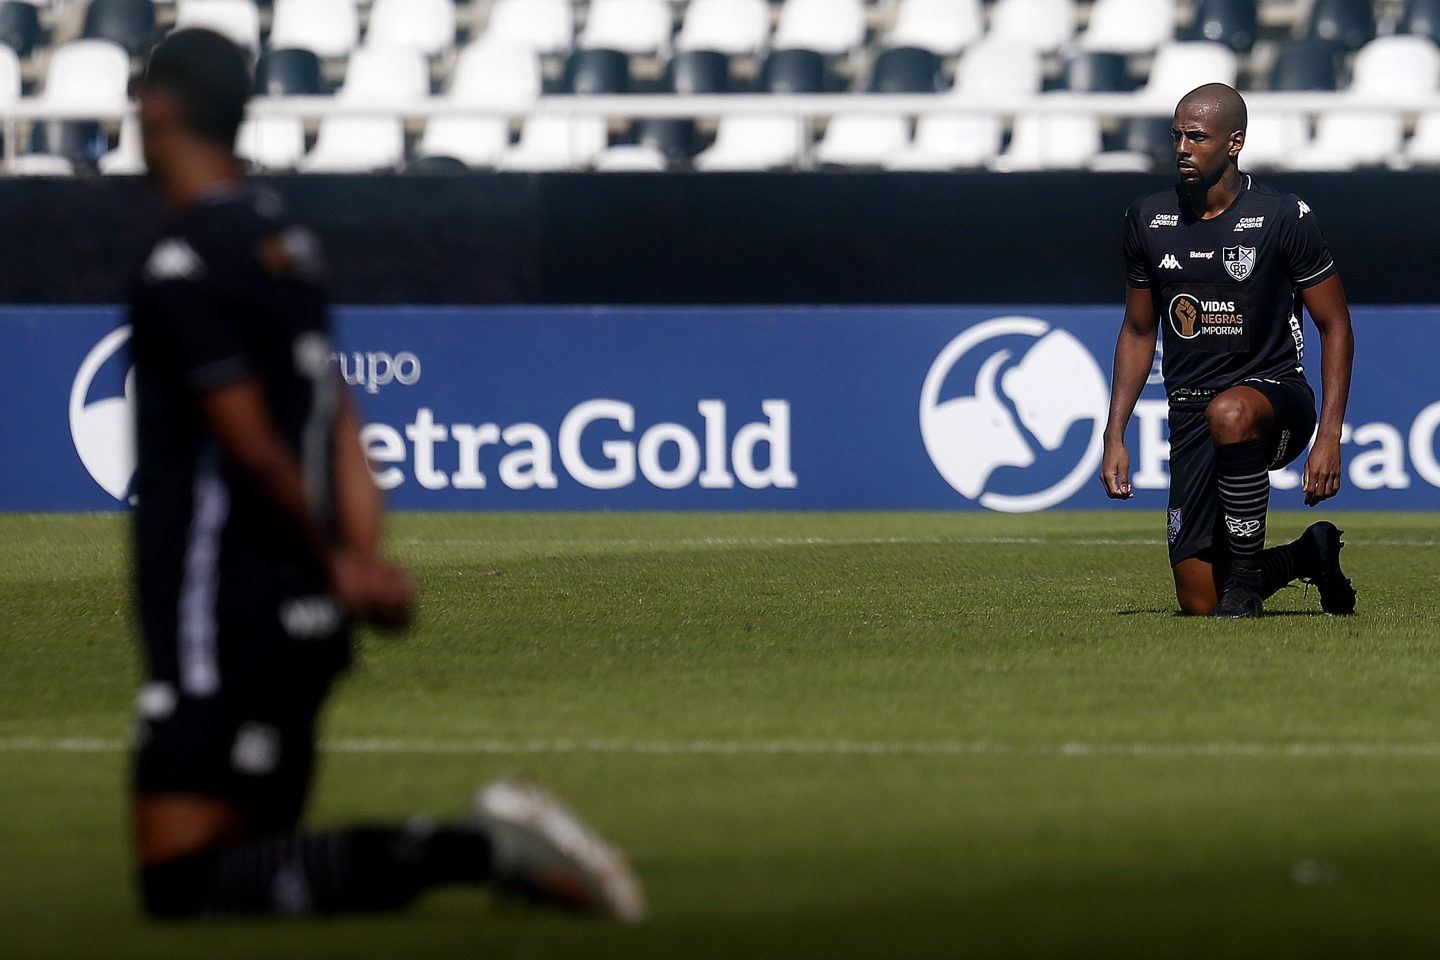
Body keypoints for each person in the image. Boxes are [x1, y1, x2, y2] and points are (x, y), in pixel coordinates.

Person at [128, 28, 645, 920]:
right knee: (256, 862)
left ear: (157, 108)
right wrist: (358, 560)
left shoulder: (181, 267)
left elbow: (252, 447)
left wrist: (336, 562)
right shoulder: (288, 244)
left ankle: (481, 845)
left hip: (224, 607)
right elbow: (341, 424)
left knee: (186, 883)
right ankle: (483, 850)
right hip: (303, 607)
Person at [1100, 83, 1356, 619]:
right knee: (1198, 600)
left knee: (1232, 410)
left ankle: (1245, 587)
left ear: (1234, 143)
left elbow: (1335, 326)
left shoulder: (1283, 215)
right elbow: (1140, 330)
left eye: (1197, 137)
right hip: (1191, 412)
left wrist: (1329, 436)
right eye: (1177, 136)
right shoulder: (1147, 219)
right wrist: (1115, 433)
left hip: (1275, 399)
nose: (1183, 148)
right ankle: (1309, 553)